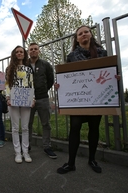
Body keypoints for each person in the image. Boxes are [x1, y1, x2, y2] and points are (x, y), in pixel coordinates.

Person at [56, 25, 120, 174]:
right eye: (80, 33)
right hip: (78, 100)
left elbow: (109, 71)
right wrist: (60, 84)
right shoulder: (72, 56)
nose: (84, 34)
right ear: (77, 39)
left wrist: (114, 77)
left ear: (90, 35)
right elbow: (67, 77)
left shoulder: (102, 53)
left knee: (94, 128)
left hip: (96, 98)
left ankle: (92, 159)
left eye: (86, 32)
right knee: (75, 127)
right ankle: (71, 163)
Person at [27, 43, 57, 159]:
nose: (33, 51)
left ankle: (47, 146)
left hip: (43, 98)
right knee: (27, 124)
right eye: (31, 49)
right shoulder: (24, 65)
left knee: (46, 123)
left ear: (39, 51)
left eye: (35, 49)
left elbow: (50, 80)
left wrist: (43, 90)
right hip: (28, 99)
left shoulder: (46, 64)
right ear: (28, 52)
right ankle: (27, 145)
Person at [5, 46, 35, 163]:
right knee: (15, 128)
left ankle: (26, 152)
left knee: (25, 127)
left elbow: (32, 84)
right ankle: (18, 153)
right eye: (17, 52)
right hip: (13, 100)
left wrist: (33, 98)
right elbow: (7, 84)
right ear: (14, 54)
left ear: (24, 54)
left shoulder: (28, 69)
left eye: (21, 52)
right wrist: (7, 97)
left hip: (26, 99)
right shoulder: (9, 69)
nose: (19, 53)